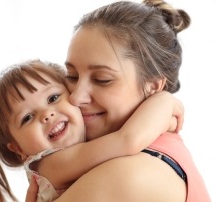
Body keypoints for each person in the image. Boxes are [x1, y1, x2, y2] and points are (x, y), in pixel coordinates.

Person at [25, 0, 211, 201]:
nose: (76, 97)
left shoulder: (126, 176)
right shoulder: (161, 151)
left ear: (154, 86)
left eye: (102, 80)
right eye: (72, 76)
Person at [0, 59, 183, 202]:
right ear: (18, 149)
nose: (46, 114)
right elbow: (127, 140)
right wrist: (164, 103)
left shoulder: (92, 145)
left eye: (53, 98)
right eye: (27, 118)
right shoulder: (49, 164)